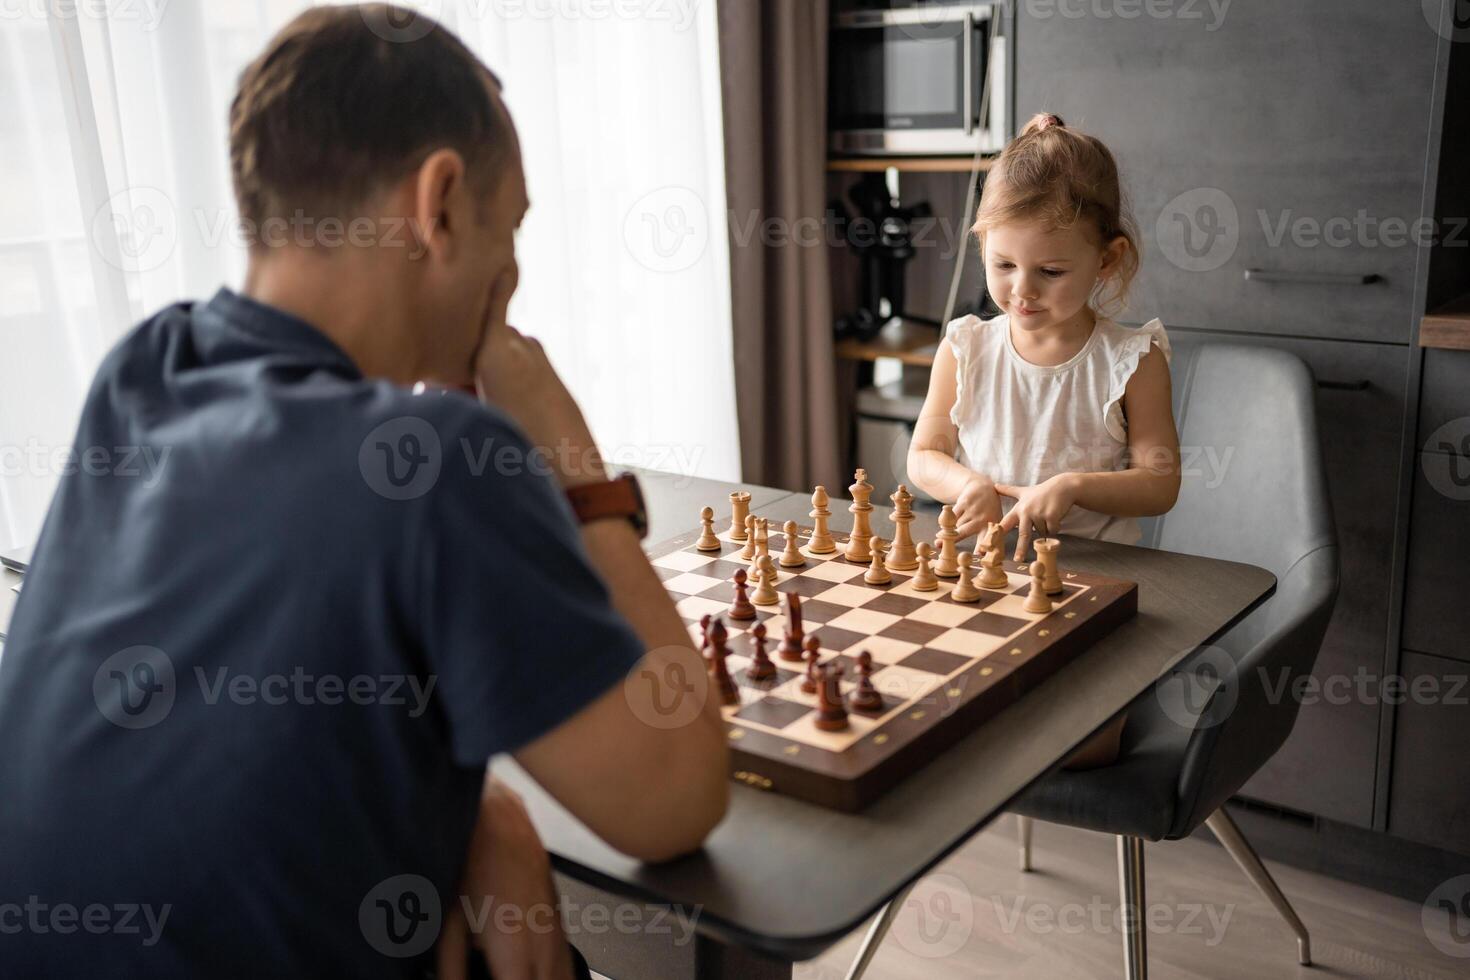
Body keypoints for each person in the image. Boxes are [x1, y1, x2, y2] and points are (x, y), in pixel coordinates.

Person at [0, 6, 727, 979]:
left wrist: (479, 813)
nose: (509, 277)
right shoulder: (439, 460)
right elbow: (677, 799)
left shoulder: (142, 369)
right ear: (439, 202)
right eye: (506, 230)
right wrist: (577, 472)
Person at [907, 112, 1181, 769]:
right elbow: (923, 455)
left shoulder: (1134, 359)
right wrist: (965, 482)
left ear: (1107, 258)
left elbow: (1161, 481)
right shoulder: (967, 347)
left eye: (1051, 272)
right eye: (1003, 264)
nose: (1021, 291)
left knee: (1076, 749)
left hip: (1094, 586)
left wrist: (1072, 486)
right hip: (985, 574)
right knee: (925, 731)